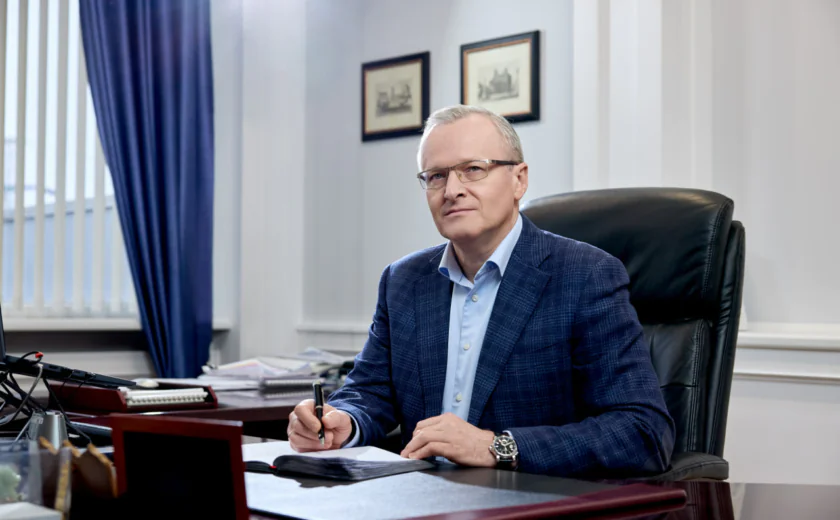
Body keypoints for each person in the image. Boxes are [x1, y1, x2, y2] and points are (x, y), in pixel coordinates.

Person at [287, 105, 675, 477]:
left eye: (473, 169)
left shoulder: (586, 275)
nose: (451, 190)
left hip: (527, 500)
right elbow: (370, 391)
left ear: (519, 179)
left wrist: (496, 447)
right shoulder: (403, 280)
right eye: (436, 176)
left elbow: (642, 431)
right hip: (419, 495)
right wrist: (343, 421)